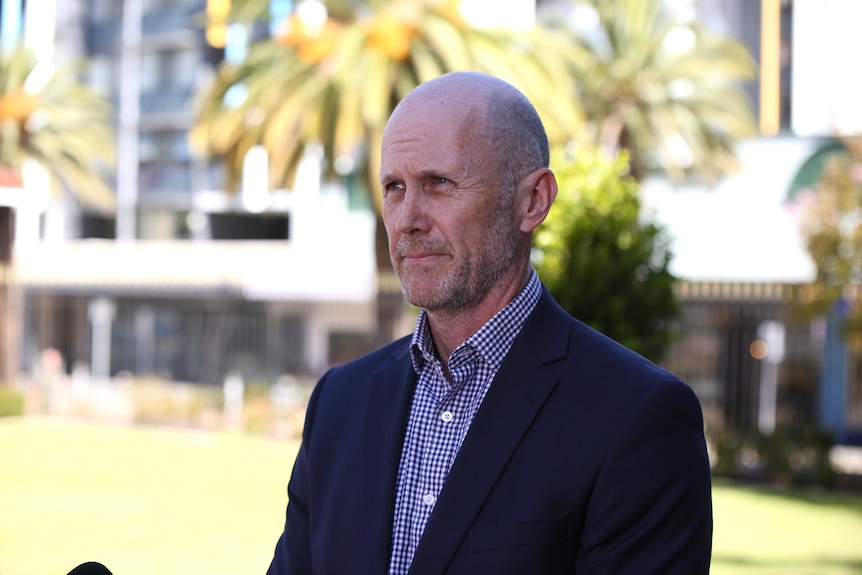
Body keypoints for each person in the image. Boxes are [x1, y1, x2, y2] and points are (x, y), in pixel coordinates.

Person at [266, 71, 712, 575]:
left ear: (532, 202)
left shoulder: (638, 416)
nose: (408, 217)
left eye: (439, 183)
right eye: (394, 187)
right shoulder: (339, 403)